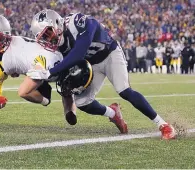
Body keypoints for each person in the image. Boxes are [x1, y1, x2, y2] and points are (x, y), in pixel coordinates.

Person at [26, 9, 176, 140]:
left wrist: (50, 72)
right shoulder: (58, 44)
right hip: (92, 64)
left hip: (110, 54)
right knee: (82, 102)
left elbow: (78, 53)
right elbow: (62, 64)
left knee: (124, 90)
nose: (49, 39)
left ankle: (163, 124)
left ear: (56, 22)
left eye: (48, 33)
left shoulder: (79, 22)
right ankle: (113, 113)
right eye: (44, 38)